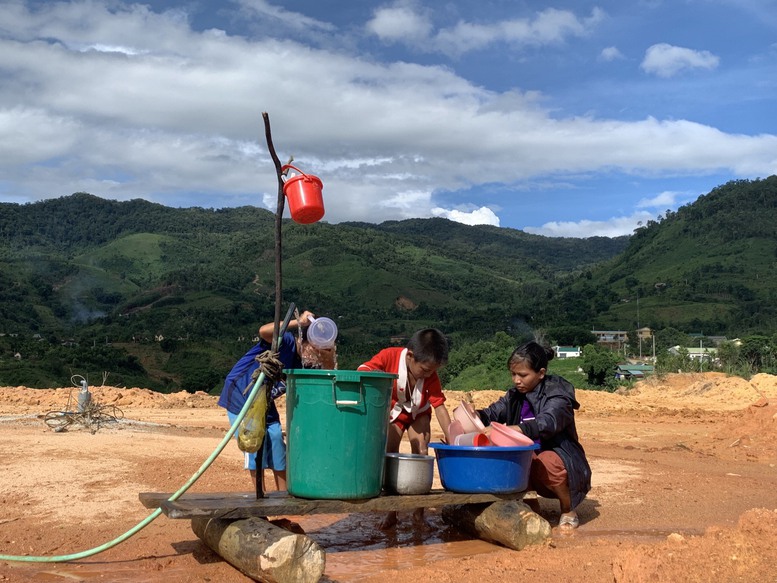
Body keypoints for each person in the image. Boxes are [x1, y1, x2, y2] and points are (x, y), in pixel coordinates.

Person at [476, 341, 592, 530]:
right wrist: (476, 416)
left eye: (522, 375)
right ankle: (531, 505)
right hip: (529, 460)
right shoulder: (514, 396)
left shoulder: (558, 396)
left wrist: (512, 429)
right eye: (513, 374)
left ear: (541, 373)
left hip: (561, 457)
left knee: (547, 461)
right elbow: (493, 413)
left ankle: (568, 508)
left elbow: (547, 423)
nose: (516, 380)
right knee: (517, 456)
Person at [217, 310, 336, 491]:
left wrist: (327, 357)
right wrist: (298, 322)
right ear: (304, 342)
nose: (314, 357)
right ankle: (260, 498)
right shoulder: (285, 342)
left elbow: (326, 378)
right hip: (242, 395)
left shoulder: (302, 364)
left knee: (277, 443)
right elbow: (264, 331)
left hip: (264, 400)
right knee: (256, 444)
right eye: (314, 351)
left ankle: (284, 499)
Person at [358, 328, 453, 528]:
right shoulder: (389, 356)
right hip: (395, 413)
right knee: (391, 452)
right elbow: (363, 370)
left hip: (420, 412)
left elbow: (439, 406)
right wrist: (376, 376)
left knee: (421, 451)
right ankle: (392, 513)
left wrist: (452, 438)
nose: (429, 374)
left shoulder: (431, 375)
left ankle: (419, 513)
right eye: (425, 370)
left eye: (433, 371)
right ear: (410, 356)